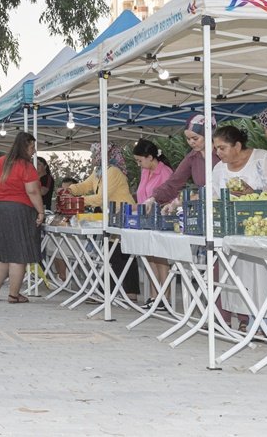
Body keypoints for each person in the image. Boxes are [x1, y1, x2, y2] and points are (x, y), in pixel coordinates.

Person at [212, 125, 267, 335]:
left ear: (237, 145)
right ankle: (258, 323)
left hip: (266, 230)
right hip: (235, 232)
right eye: (216, 148)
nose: (218, 153)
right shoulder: (218, 169)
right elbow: (215, 196)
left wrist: (253, 192)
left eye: (222, 148)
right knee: (247, 281)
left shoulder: (261, 158)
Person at [64, 142, 138, 301]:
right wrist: (70, 190)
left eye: (94, 154)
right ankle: (114, 291)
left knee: (120, 254)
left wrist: (77, 201)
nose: (92, 158)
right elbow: (85, 185)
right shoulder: (99, 171)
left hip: (124, 215)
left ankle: (119, 292)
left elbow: (100, 198)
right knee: (114, 254)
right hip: (112, 216)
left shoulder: (113, 172)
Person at [0, 131, 44, 304]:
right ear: (24, 147)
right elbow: (32, 191)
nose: (33, 152)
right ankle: (13, 295)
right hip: (17, 210)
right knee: (19, 254)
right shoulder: (26, 167)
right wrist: (40, 212)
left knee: (1, 253)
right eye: (32, 148)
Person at [132, 138, 175, 311]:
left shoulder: (165, 172)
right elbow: (141, 195)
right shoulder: (145, 171)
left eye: (140, 160)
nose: (139, 164)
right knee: (149, 257)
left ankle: (165, 296)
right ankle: (153, 295)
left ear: (150, 157)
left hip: (161, 218)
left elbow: (169, 197)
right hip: (145, 219)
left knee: (160, 258)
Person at [150, 114, 220, 206]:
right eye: (188, 139)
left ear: (208, 135)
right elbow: (174, 182)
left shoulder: (221, 153)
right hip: (205, 207)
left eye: (195, 138)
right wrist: (153, 199)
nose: (191, 142)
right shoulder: (191, 157)